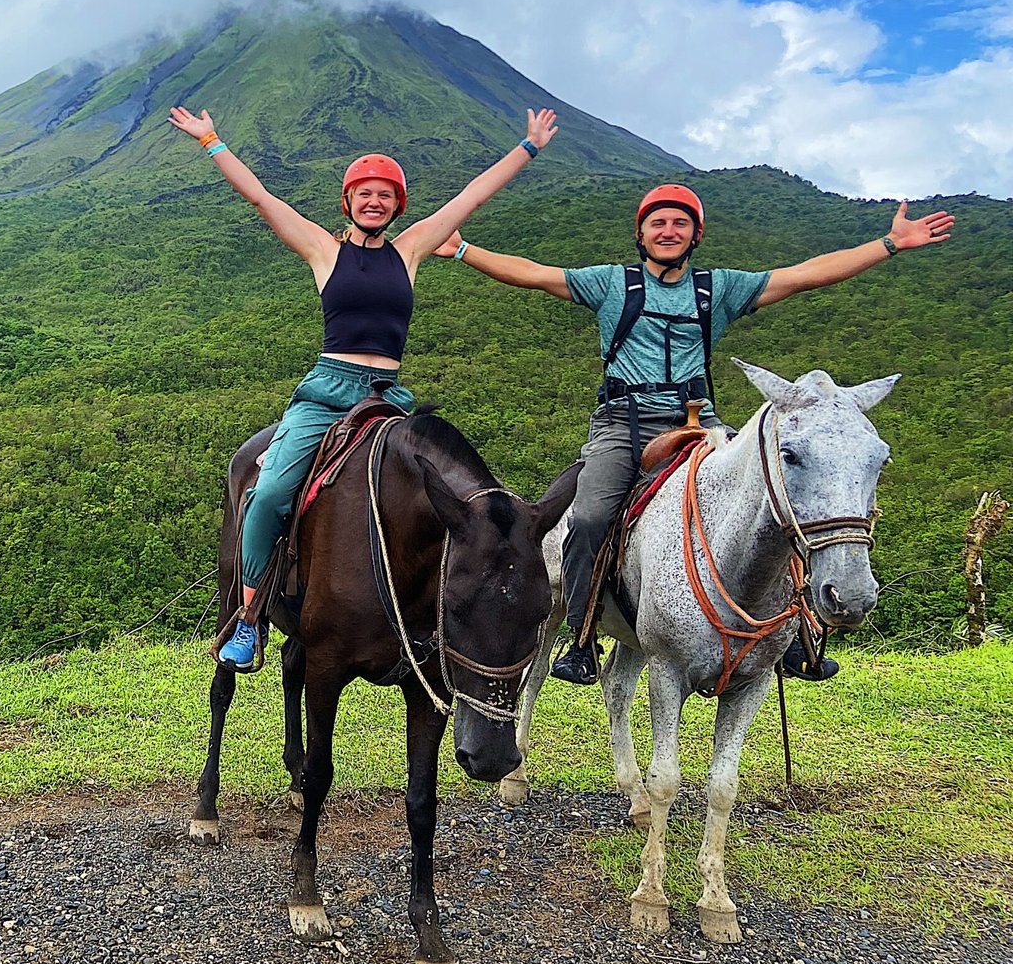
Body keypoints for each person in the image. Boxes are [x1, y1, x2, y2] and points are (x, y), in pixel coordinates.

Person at [438, 183, 954, 684]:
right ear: (641, 236)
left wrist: (889, 244)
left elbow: (803, 276)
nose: (668, 230)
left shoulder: (717, 289)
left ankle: (797, 632)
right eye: (657, 223)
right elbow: (532, 274)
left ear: (695, 234)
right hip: (624, 424)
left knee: (777, 497)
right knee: (591, 515)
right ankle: (582, 635)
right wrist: (462, 248)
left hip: (699, 423)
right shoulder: (611, 284)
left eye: (679, 223)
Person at [169, 103, 560, 671]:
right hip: (327, 390)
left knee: (438, 492)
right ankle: (249, 618)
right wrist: (212, 142)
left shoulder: (411, 250)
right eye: (364, 193)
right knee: (272, 493)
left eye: (385, 194)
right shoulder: (324, 251)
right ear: (348, 202)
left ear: (398, 206)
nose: (374, 201)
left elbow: (472, 197)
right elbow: (261, 198)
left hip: (385, 398)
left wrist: (527, 148)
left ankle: (420, 613)